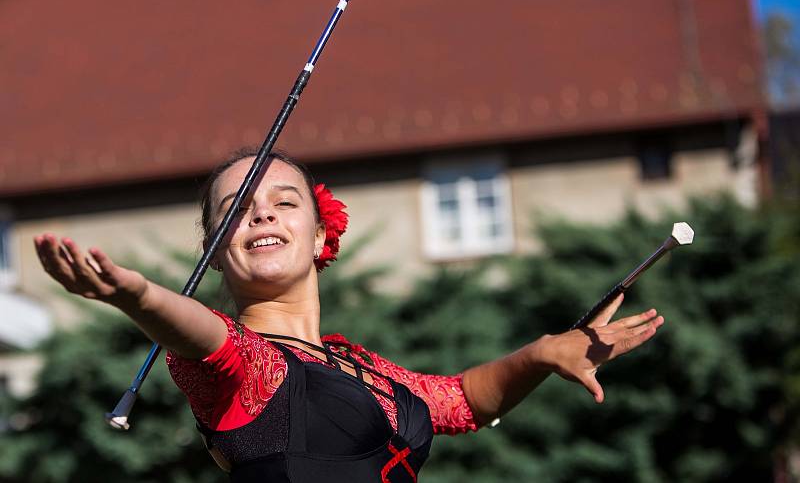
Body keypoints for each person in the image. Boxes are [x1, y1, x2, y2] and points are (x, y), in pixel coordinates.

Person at [33, 149, 664, 482]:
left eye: (285, 202)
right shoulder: (239, 365)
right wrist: (135, 295)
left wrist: (540, 354)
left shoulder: (360, 366)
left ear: (318, 237)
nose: (263, 214)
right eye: (238, 209)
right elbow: (199, 331)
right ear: (215, 255)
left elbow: (462, 402)